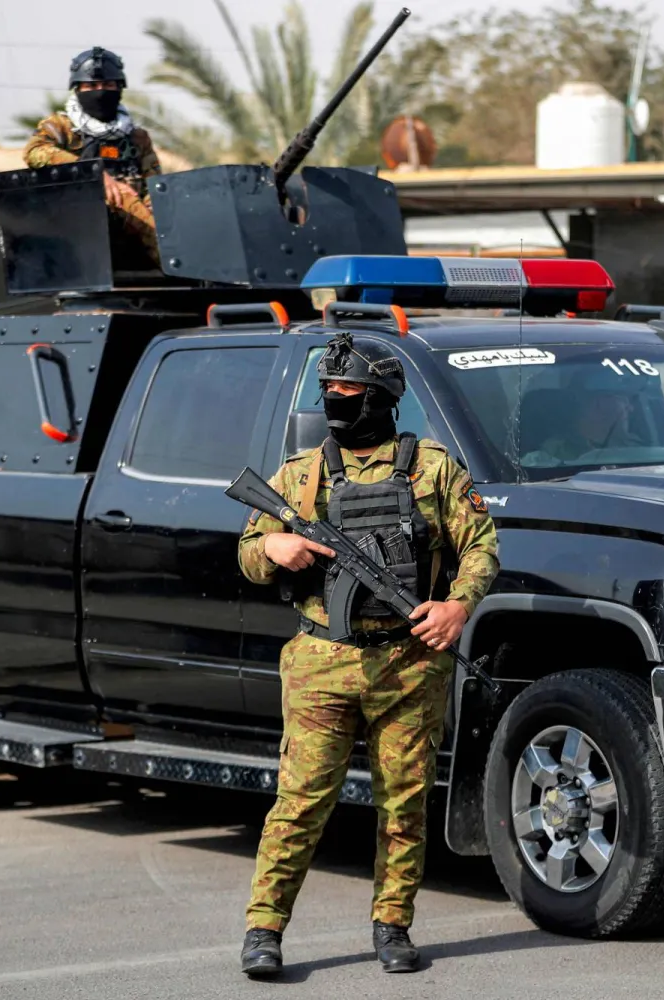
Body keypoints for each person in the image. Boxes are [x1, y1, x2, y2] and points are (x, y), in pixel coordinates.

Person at [237, 333, 500, 978]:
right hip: (323, 661)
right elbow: (247, 550)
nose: (336, 402)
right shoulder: (301, 476)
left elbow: (482, 547)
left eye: (350, 393)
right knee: (300, 801)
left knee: (404, 803)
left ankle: (393, 925)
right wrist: (275, 551)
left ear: (383, 398)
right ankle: (263, 931)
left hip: (409, 664)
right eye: (329, 392)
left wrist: (456, 607)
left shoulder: (434, 468)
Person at [23, 46, 161, 253]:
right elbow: (33, 152)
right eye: (91, 85)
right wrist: (95, 174)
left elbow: (154, 182)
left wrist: (154, 207)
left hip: (133, 221)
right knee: (120, 197)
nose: (100, 91)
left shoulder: (136, 137)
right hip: (76, 216)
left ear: (119, 88)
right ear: (78, 89)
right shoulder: (60, 127)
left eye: (107, 84)